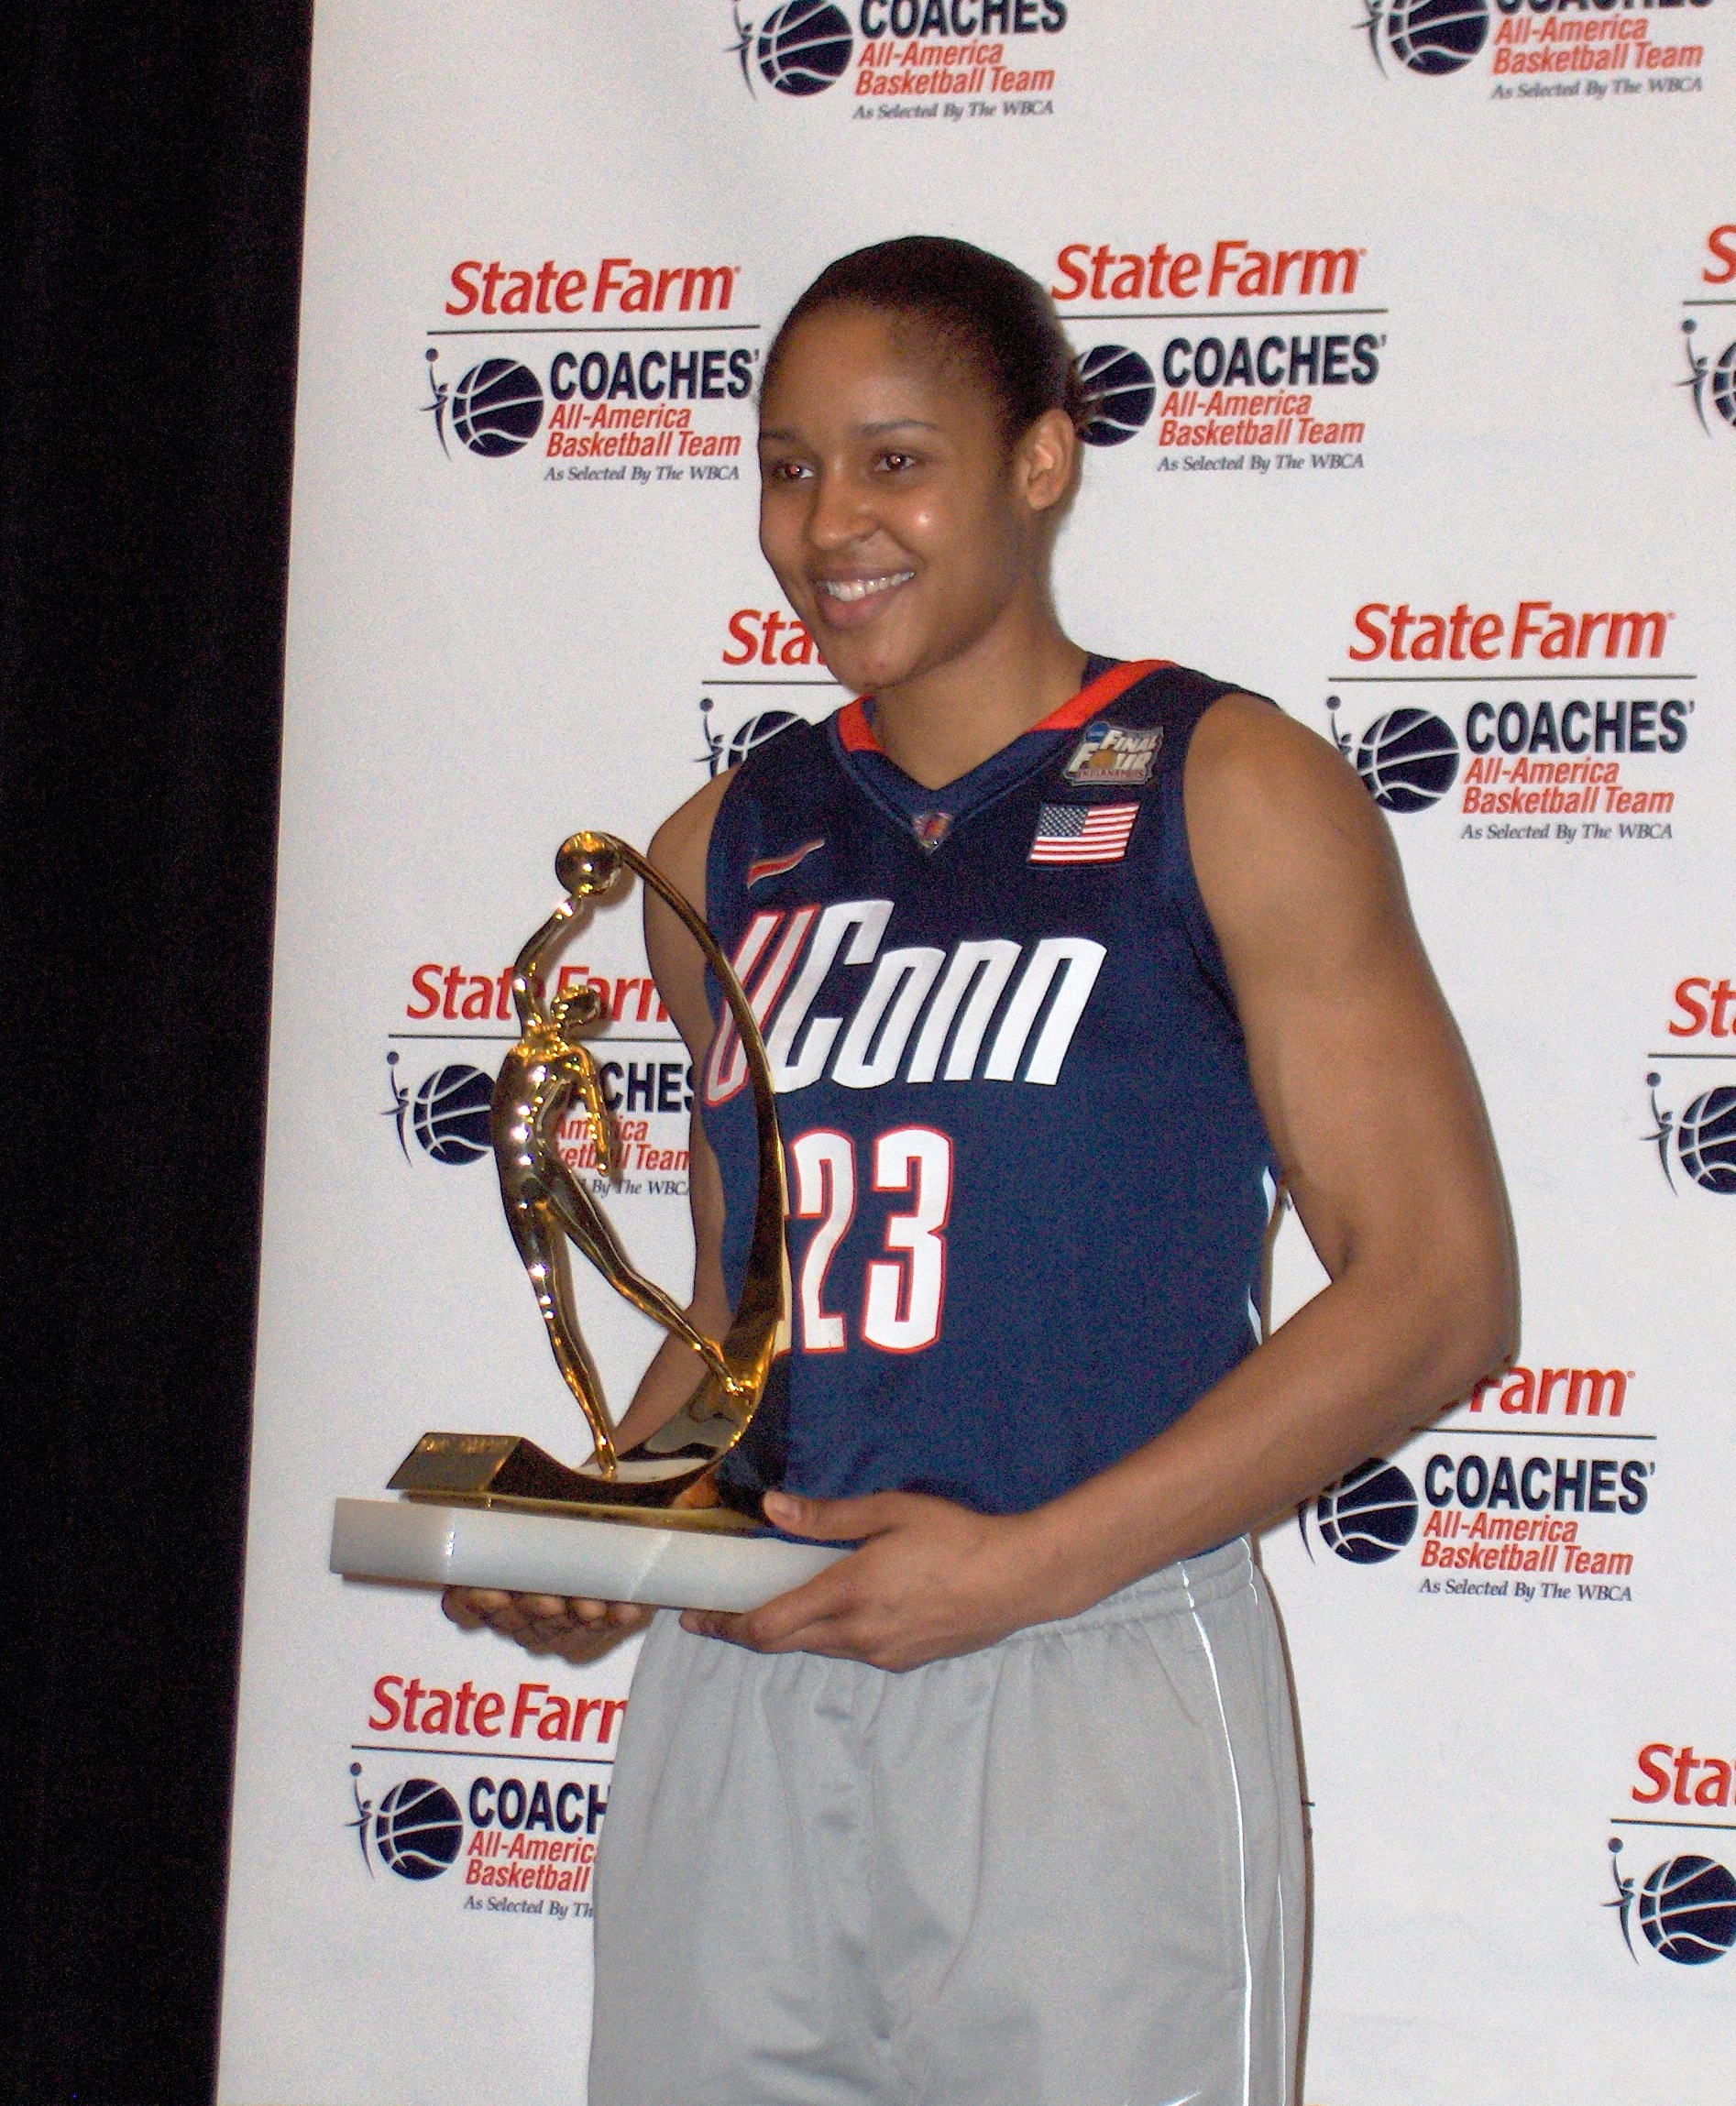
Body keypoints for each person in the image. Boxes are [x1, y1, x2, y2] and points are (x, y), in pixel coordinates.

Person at [445, 235, 1517, 2106]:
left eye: (890, 459)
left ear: (1039, 460)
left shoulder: (1224, 785)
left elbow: (1435, 1294)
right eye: (784, 466)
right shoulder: (722, 846)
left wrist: (1020, 1572)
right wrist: (609, 1532)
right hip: (747, 1689)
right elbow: (736, 1317)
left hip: (1089, 1677)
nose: (823, 523)